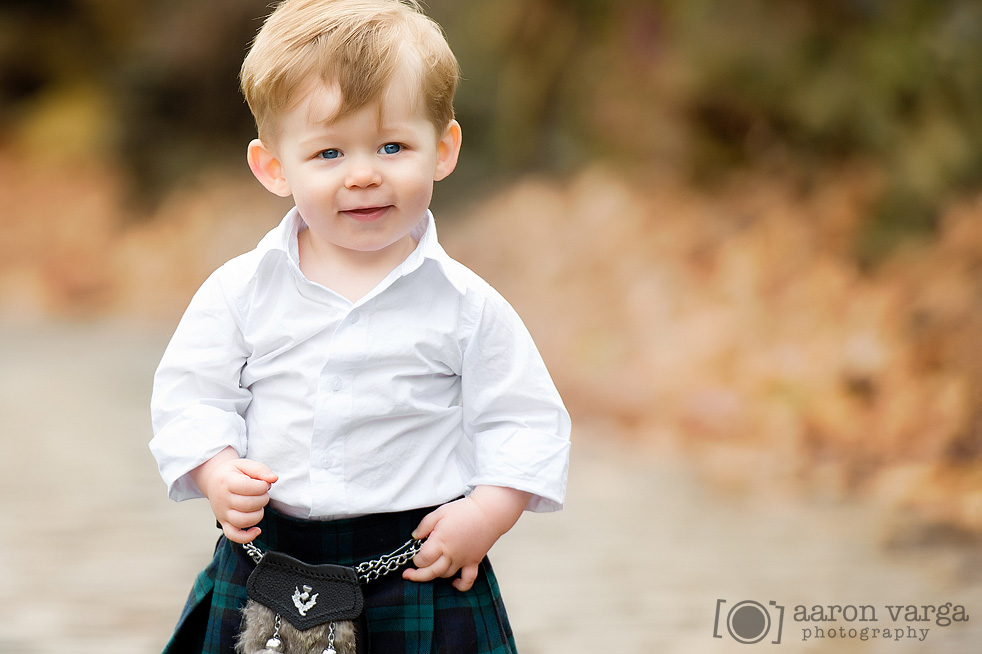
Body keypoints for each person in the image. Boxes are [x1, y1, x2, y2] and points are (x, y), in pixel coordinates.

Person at [148, 1, 571, 652]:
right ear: (274, 168)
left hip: (418, 562)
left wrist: (486, 514)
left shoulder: (465, 303)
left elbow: (523, 420)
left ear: (443, 149)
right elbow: (191, 396)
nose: (365, 173)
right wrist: (215, 469)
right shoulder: (241, 291)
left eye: (393, 145)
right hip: (270, 559)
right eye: (328, 152)